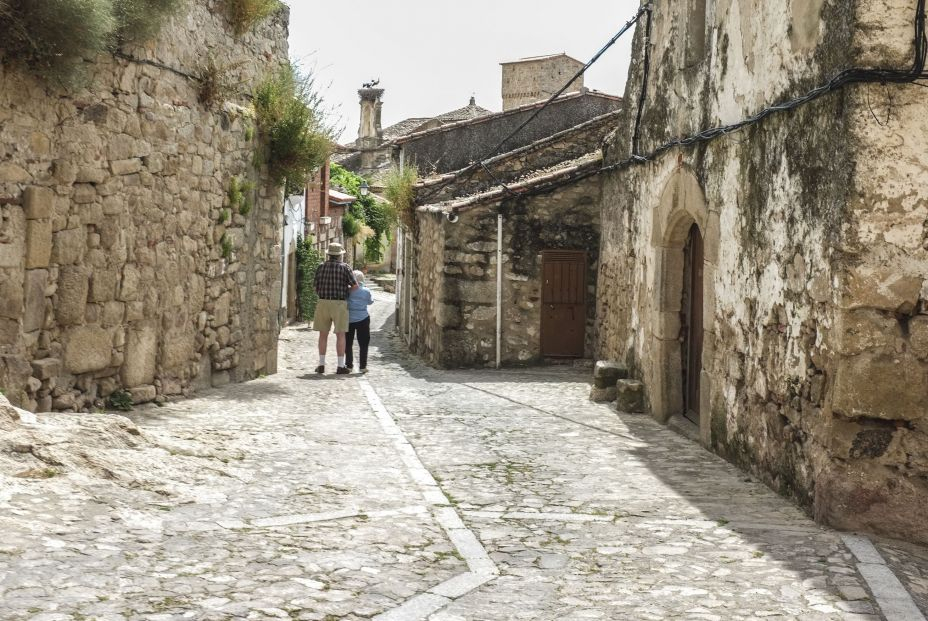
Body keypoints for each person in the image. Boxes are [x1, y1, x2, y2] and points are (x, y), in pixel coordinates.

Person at [313, 242, 357, 375]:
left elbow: (315, 287)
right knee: (341, 335)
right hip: (339, 303)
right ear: (339, 256)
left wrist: (323, 293)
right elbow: (355, 286)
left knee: (323, 335)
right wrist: (346, 290)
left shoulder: (321, 267)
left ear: (328, 254)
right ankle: (340, 366)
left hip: (323, 302)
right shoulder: (345, 268)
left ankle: (321, 364)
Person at [346, 270, 374, 373]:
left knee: (348, 343)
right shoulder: (366, 291)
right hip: (363, 318)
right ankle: (363, 366)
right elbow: (370, 302)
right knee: (364, 343)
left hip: (349, 318)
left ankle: (349, 365)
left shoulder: (347, 291)